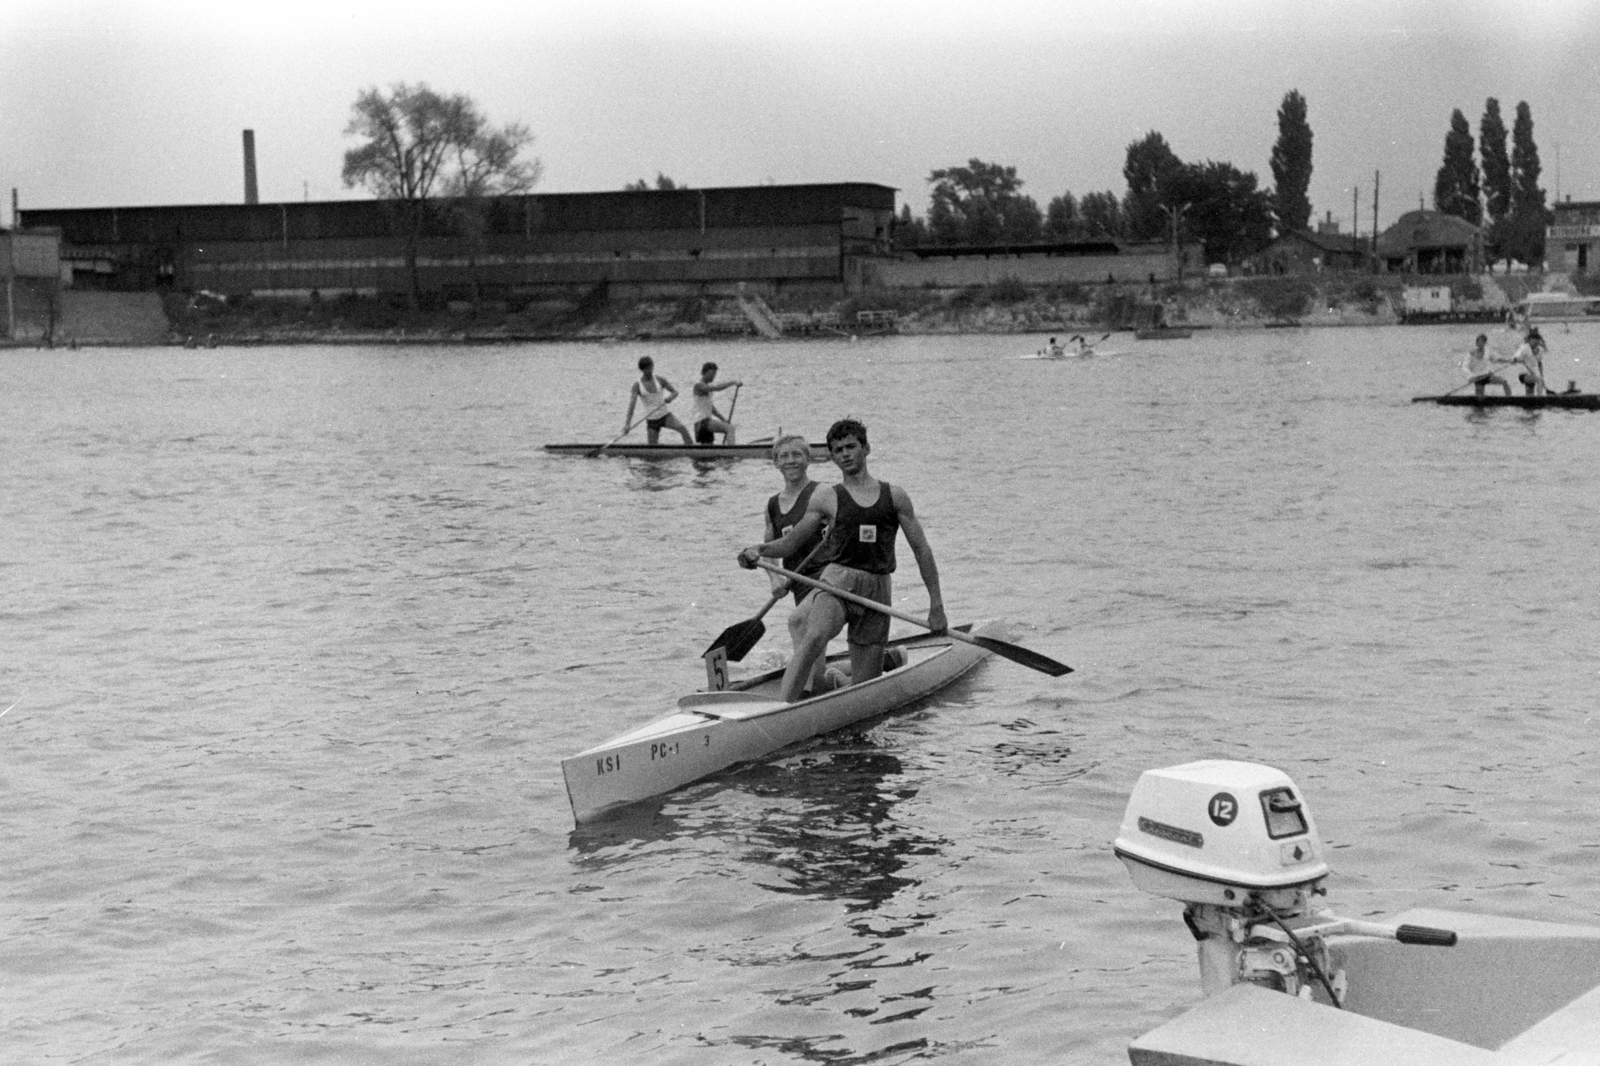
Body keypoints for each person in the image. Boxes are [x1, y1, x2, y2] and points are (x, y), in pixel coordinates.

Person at [739, 418, 947, 702]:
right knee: (814, 637)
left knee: (864, 689)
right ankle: (781, 707)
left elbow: (921, 550)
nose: (845, 454)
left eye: (851, 447)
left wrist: (936, 606)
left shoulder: (895, 496)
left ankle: (840, 680)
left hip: (877, 588)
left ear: (866, 449)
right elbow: (790, 543)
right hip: (838, 581)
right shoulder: (827, 497)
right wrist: (758, 550)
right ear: (833, 457)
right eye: (838, 450)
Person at [762, 434, 830, 695]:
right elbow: (769, 548)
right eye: (784, 456)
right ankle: (889, 659)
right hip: (798, 582)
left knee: (798, 622)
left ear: (808, 460)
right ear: (776, 463)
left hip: (827, 577)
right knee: (814, 647)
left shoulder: (821, 493)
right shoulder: (772, 505)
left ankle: (803, 694)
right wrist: (775, 579)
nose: (791, 460)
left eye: (797, 454)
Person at [622, 356, 693, 445]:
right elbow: (631, 406)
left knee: (683, 429)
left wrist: (670, 398)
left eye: (651, 368)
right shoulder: (637, 385)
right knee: (652, 446)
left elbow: (675, 392)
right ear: (642, 370)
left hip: (665, 416)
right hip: (652, 421)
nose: (649, 371)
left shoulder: (660, 380)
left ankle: (692, 450)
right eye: (647, 369)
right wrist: (627, 424)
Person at [691, 361, 742, 444]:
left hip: (704, 423)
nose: (713, 377)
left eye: (715, 375)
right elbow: (716, 388)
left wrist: (723, 419)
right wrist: (733, 382)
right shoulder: (699, 385)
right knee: (730, 428)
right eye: (712, 374)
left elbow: (711, 408)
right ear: (705, 372)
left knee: (708, 449)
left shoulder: (706, 388)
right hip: (702, 422)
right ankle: (731, 451)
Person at [1464, 333, 1512, 398]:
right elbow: (1465, 367)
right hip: (1477, 378)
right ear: (1477, 343)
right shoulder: (1471, 353)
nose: (1482, 343)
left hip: (1488, 376)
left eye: (1484, 342)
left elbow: (1497, 359)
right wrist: (1471, 376)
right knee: (1480, 398)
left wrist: (1510, 361)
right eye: (1481, 341)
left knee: (1504, 381)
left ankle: (1509, 398)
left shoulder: (1488, 352)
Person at [1512, 328, 1549, 395]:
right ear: (1529, 340)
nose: (1535, 341)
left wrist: (1542, 375)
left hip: (1533, 374)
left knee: (1530, 393)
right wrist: (1516, 359)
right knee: (1539, 380)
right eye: (1533, 339)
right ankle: (1540, 398)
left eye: (1537, 339)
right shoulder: (1524, 348)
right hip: (1523, 374)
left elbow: (1540, 364)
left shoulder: (1539, 350)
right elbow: (1516, 356)